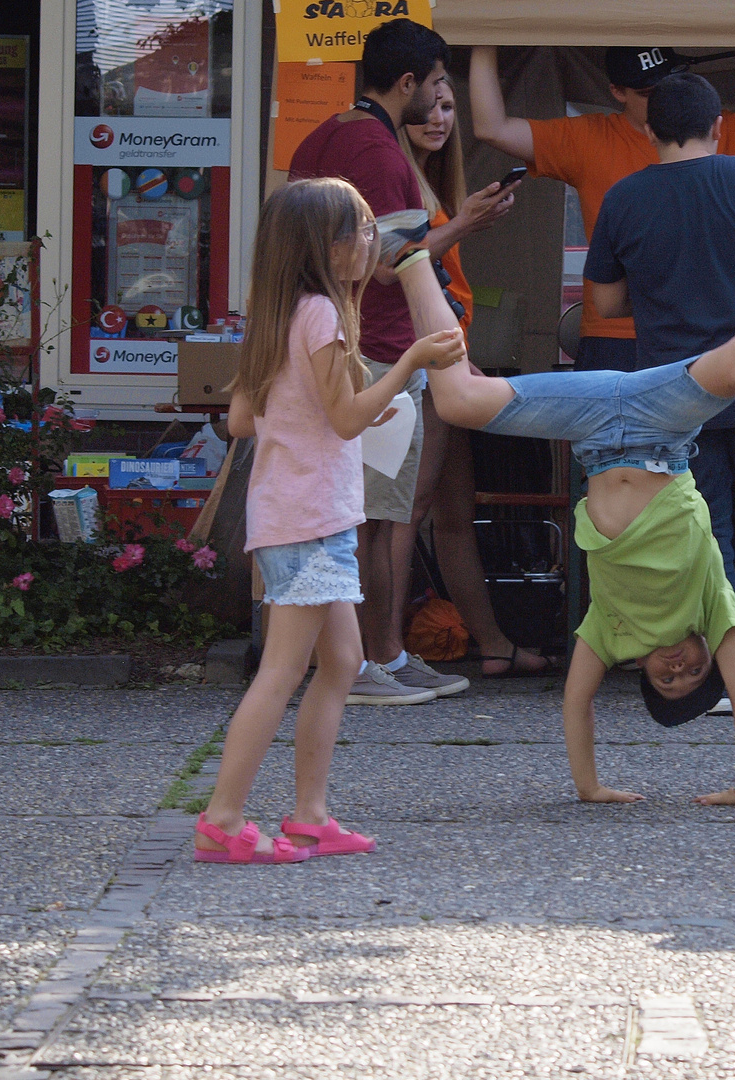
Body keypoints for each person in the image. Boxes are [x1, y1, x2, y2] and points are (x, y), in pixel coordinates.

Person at [368, 199, 735, 803]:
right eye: (693, 672)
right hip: (662, 423)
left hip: (589, 427)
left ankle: (408, 258)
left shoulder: (611, 634)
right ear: (705, 655)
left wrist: (590, 788)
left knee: (456, 401)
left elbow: (577, 700)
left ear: (641, 671)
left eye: (667, 681)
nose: (678, 669)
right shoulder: (713, 610)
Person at [193, 179, 466, 864]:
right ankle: (223, 820)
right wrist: (409, 363)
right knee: (284, 671)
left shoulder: (280, 310)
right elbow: (343, 418)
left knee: (342, 661)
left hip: (298, 514)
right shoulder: (324, 315)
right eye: (363, 228)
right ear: (328, 245)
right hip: (311, 520)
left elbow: (242, 419)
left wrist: (341, 405)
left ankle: (310, 815)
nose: (373, 239)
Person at [288, 19, 512, 703]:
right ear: (408, 82)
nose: (443, 98)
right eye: (439, 84)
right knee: (381, 520)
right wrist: (465, 225)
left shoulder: (325, 135)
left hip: (329, 340)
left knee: (355, 514)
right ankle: (372, 661)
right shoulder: (380, 153)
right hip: (382, 349)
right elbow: (390, 266)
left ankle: (371, 657)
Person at [582, 72, 735, 711]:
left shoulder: (624, 198)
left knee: (705, 533)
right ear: (719, 127)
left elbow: (602, 299)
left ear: (647, 129)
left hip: (677, 396)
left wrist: (659, 289)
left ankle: (721, 678)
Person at [470, 43, 735, 372]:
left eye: (671, 83)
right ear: (617, 92)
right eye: (647, 93)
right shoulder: (588, 138)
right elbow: (492, 128)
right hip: (616, 337)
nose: (663, 98)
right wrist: (483, 40)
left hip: (713, 335)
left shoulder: (711, 126)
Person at [395, 75, 550, 677]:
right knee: (411, 507)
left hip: (447, 357)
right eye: (426, 108)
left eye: (448, 106)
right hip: (419, 363)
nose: (439, 118)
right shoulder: (395, 177)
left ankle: (490, 642)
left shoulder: (431, 180)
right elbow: (395, 269)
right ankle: (388, 651)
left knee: (455, 509)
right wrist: (464, 223)